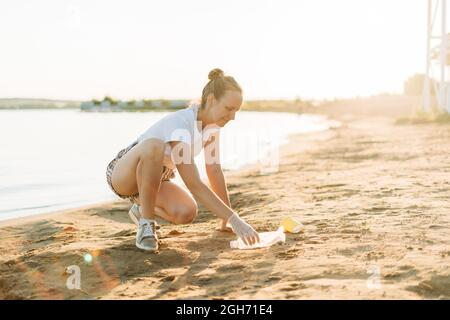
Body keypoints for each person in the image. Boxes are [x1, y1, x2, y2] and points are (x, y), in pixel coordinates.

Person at [106, 68, 260, 252]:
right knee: (155, 145)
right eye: (229, 108)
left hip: (158, 178)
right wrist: (237, 221)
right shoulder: (180, 124)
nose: (232, 117)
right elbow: (194, 183)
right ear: (211, 100)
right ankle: (146, 226)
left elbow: (214, 170)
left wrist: (226, 219)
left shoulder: (212, 129)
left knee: (186, 212)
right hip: (124, 173)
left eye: (236, 111)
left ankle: (141, 209)